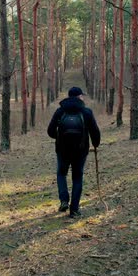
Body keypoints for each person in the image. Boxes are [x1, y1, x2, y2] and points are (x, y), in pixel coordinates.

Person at [47, 87, 100, 218]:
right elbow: (95, 132)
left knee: (61, 174)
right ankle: (74, 210)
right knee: (77, 177)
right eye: (82, 96)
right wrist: (95, 144)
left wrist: (59, 138)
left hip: (62, 150)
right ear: (79, 97)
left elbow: (50, 131)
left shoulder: (60, 111)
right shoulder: (86, 112)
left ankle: (64, 200)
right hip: (81, 151)